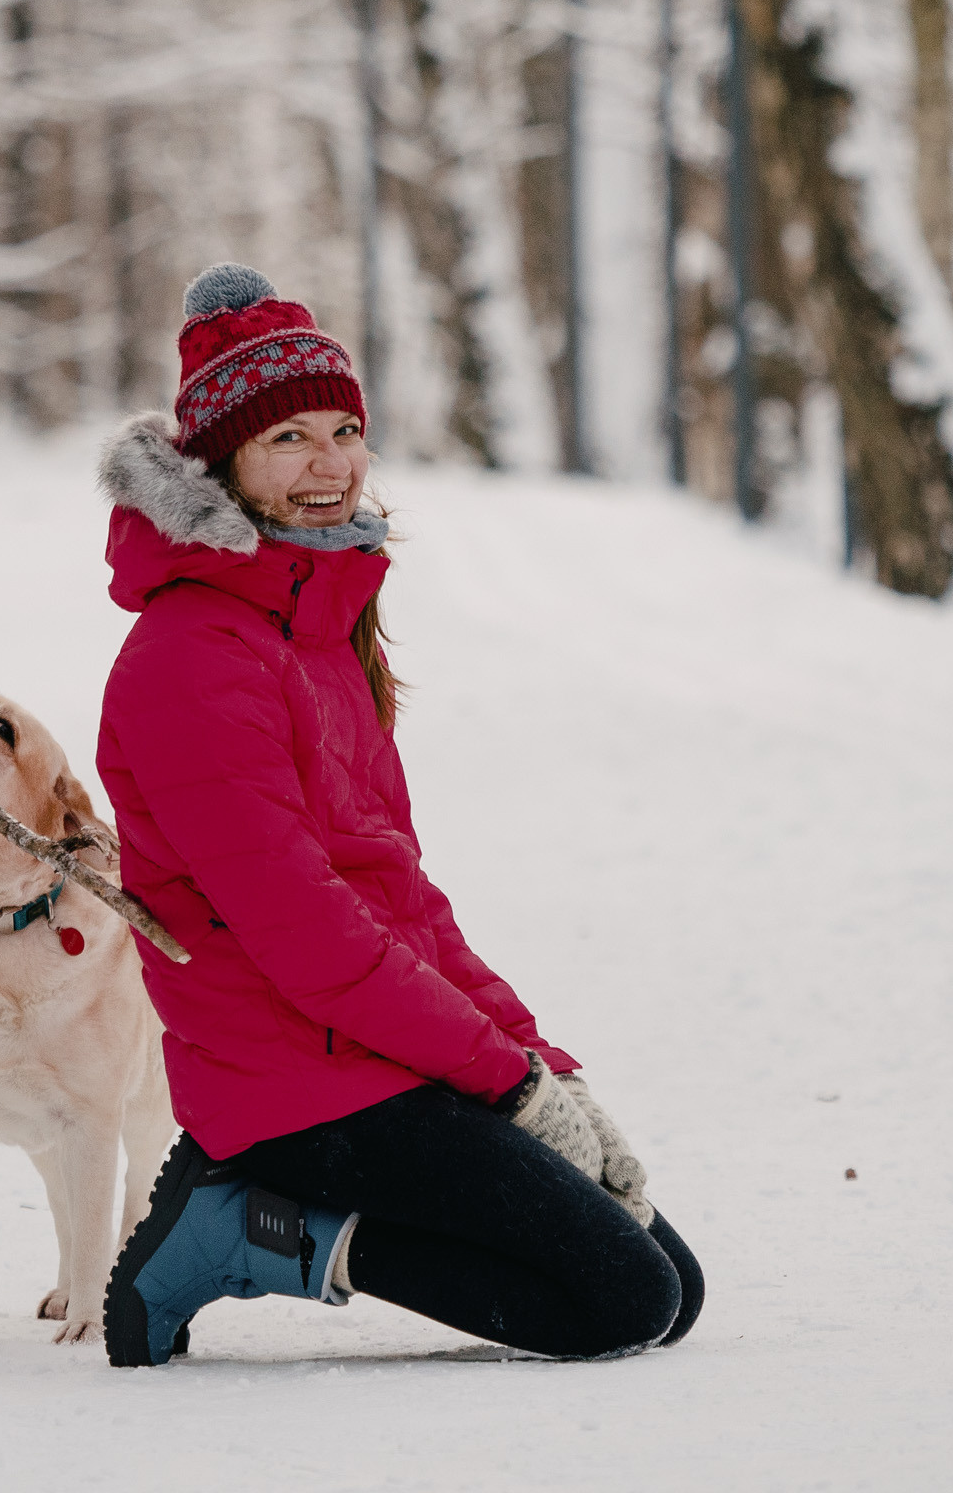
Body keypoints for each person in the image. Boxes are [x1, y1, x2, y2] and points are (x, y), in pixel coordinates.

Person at [93, 263, 702, 1368]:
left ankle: (283, 1198)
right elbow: (307, 934)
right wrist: (504, 1086)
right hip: (289, 1080)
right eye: (287, 442)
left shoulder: (316, 625)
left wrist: (538, 1059)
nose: (329, 467)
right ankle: (243, 1230)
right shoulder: (192, 658)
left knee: (673, 1283)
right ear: (221, 467)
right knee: (622, 1298)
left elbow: (397, 894)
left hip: (373, 1046)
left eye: (342, 431)